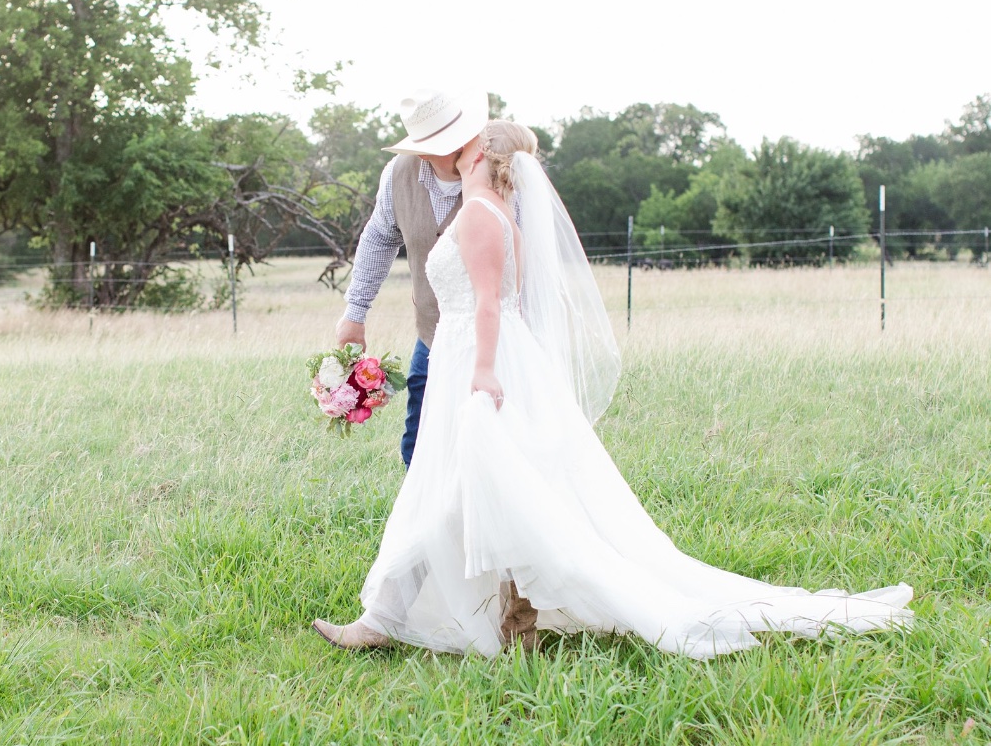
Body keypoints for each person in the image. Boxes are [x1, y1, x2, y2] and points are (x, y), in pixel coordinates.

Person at [313, 120, 913, 657]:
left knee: (464, 492)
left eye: (464, 151)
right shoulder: (489, 211)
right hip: (465, 359)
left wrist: (485, 373)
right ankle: (449, 618)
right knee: (469, 491)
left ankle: (413, 620)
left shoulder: (479, 216)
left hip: (476, 362)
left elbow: (491, 304)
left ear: (478, 161)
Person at [338, 89, 489, 470]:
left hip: (494, 335)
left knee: (486, 440)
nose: (460, 146)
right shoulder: (397, 177)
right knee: (418, 443)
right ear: (421, 151)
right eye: (444, 142)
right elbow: (378, 238)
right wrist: (355, 312)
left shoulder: (498, 172)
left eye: (460, 134)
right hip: (432, 334)